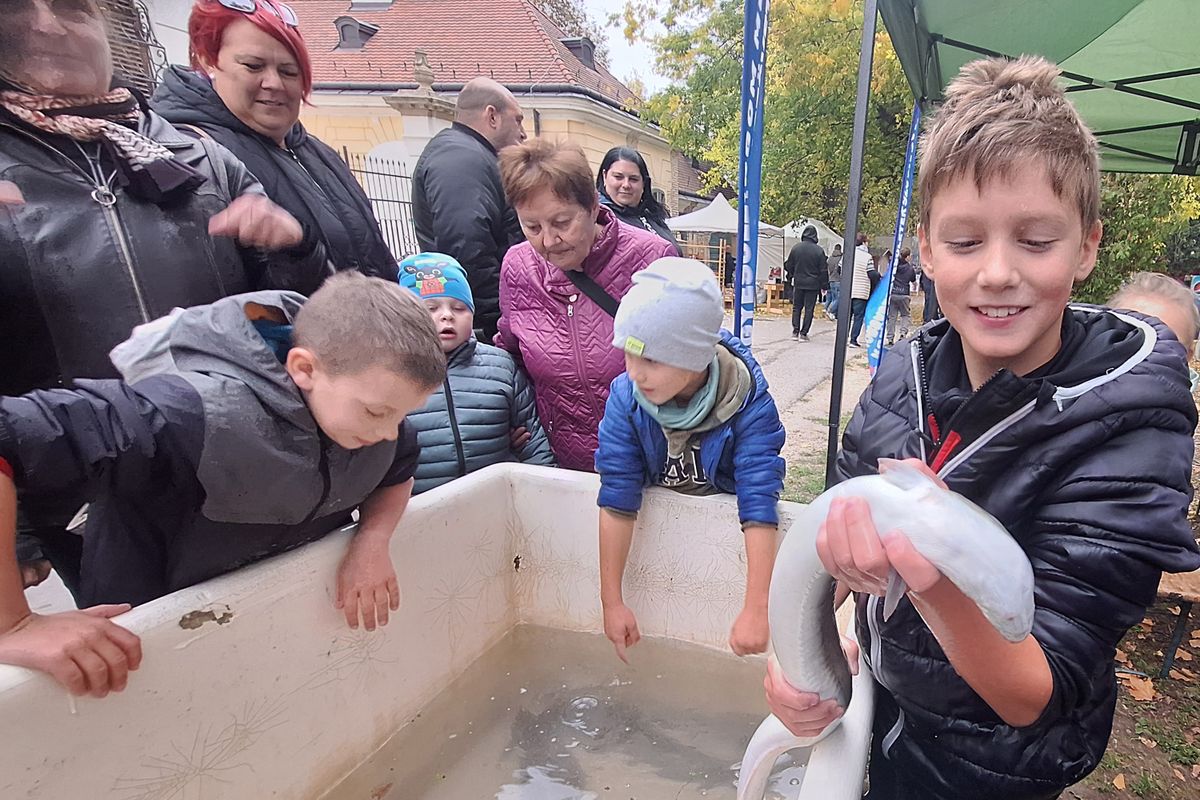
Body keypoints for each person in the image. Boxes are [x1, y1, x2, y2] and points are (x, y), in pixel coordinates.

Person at [763, 56, 1200, 800]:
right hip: (878, 716)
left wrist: (931, 580)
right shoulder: (903, 373)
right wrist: (799, 659)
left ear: (1086, 248)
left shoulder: (1131, 432)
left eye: (1035, 241)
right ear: (926, 249)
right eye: (965, 243)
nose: (997, 272)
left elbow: (1035, 692)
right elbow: (826, 537)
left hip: (989, 770)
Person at [0, 0, 328, 598]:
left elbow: (293, 323)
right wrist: (16, 528)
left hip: (233, 464)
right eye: (19, 7)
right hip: (83, 500)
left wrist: (292, 251)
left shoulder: (201, 157)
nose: (47, 25)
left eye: (72, 7)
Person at [0, 272, 445, 696]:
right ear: (304, 368)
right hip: (150, 649)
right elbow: (9, 437)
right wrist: (12, 624)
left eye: (402, 415)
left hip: (272, 632)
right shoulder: (179, 417)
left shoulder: (373, 420)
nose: (390, 431)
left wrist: (372, 539)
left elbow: (397, 467)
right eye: (376, 412)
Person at [595, 258, 785, 660]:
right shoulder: (626, 399)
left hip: (720, 559)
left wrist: (757, 608)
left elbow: (759, 503)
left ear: (695, 357)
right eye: (628, 356)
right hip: (663, 558)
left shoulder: (749, 403)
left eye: (650, 360)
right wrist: (612, 601)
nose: (635, 374)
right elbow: (617, 498)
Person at [152, 0, 397, 280]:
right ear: (209, 60)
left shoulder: (316, 151)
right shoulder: (191, 157)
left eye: (289, 71)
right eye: (253, 66)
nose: (275, 83)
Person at [495, 139, 677, 471]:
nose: (548, 241)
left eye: (562, 222)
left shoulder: (652, 258)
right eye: (532, 227)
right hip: (562, 464)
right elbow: (510, 356)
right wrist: (505, 414)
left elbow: (687, 359)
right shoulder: (517, 267)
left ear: (593, 206)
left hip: (646, 461)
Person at [399, 252, 555, 494]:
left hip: (496, 502)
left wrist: (547, 490)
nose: (447, 315)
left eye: (459, 307)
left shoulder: (500, 366)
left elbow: (533, 437)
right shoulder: (391, 376)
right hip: (422, 509)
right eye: (430, 308)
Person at [412, 77, 528, 340]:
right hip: (487, 325)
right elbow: (467, 251)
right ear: (492, 116)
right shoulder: (462, 159)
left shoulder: (467, 154)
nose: (523, 132)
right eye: (518, 120)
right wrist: (506, 319)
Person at [595, 146, 680, 251]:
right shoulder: (598, 218)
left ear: (643, 183)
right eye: (618, 177)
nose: (626, 185)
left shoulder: (652, 217)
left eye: (633, 179)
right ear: (604, 176)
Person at [785, 225, 828, 341]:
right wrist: (824, 285)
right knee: (809, 309)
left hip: (798, 282)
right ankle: (804, 333)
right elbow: (823, 270)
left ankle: (795, 331)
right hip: (813, 284)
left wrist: (790, 277)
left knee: (796, 307)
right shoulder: (819, 251)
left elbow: (789, 265)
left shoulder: (796, 248)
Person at [885, 247, 916, 346]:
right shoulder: (910, 268)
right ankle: (903, 334)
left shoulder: (894, 266)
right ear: (907, 257)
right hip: (904, 294)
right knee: (905, 315)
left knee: (892, 317)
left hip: (893, 293)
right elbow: (913, 281)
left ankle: (890, 338)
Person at [848, 232, 872, 347]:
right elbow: (871, 274)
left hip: (848, 290)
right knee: (858, 316)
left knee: (846, 316)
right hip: (861, 291)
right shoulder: (867, 257)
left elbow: (839, 269)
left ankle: (843, 337)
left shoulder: (849, 254)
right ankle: (853, 339)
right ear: (864, 242)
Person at [825, 243, 843, 321]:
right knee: (838, 299)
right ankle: (830, 310)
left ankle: (831, 313)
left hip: (830, 279)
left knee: (833, 298)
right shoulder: (841, 258)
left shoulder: (829, 258)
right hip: (838, 280)